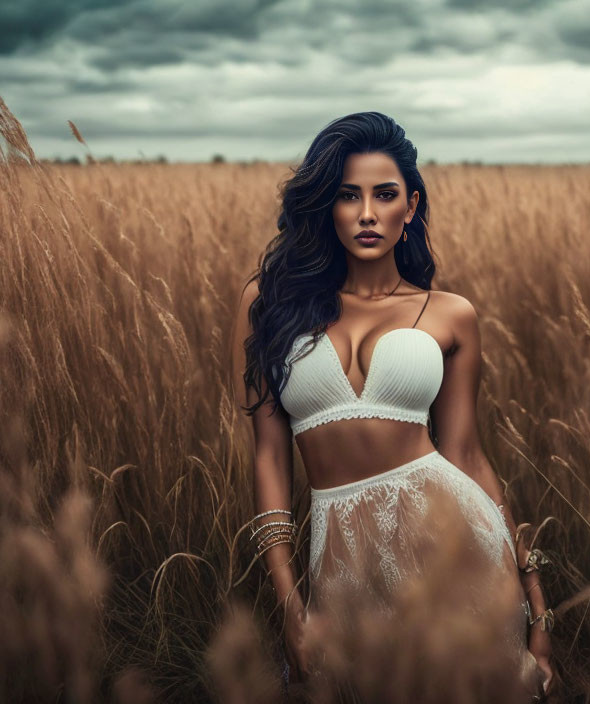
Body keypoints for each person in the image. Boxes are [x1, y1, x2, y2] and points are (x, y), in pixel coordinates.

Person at [231, 112, 554, 698]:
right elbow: (269, 459)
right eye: (348, 196)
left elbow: (467, 455)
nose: (367, 213)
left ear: (410, 205)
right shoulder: (269, 303)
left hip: (451, 539)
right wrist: (289, 601)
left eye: (385, 195)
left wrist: (536, 596)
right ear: (327, 207)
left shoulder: (450, 312)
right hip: (342, 557)